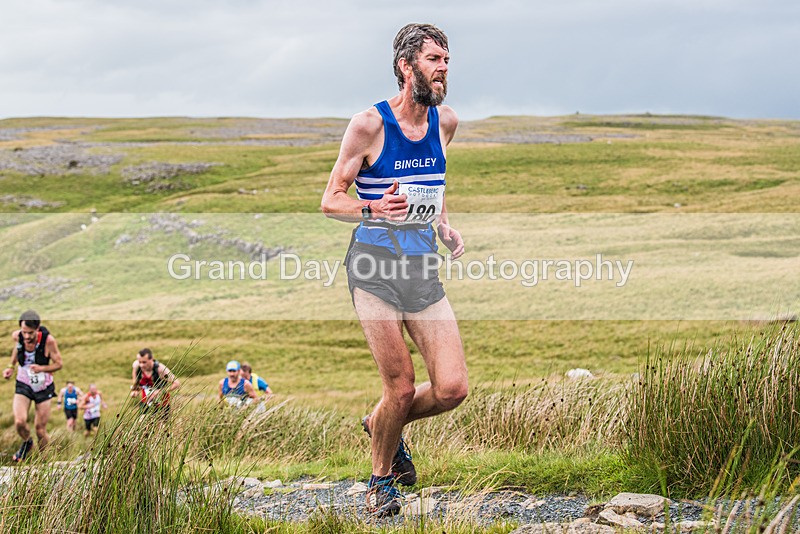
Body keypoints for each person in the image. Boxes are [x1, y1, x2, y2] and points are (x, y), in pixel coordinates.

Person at [320, 23, 468, 517]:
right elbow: (330, 200)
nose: (443, 68)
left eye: (446, 59)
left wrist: (445, 226)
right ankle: (379, 482)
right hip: (373, 266)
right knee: (400, 386)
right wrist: (371, 210)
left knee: (452, 388)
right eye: (433, 59)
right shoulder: (369, 126)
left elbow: (436, 184)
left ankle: (381, 421)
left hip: (422, 265)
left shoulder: (445, 122)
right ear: (407, 67)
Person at [2, 310, 63, 462]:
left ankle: (45, 463)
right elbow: (17, 348)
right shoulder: (18, 336)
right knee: (19, 422)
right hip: (23, 383)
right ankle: (27, 442)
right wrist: (11, 366)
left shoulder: (49, 341)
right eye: (24, 332)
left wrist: (41, 368)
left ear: (38, 328)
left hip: (43, 386)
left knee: (40, 429)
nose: (27, 336)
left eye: (30, 333)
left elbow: (59, 364)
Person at [130, 348, 180, 415]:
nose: (141, 365)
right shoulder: (136, 366)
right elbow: (135, 382)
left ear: (151, 359)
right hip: (145, 403)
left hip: (162, 405)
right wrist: (135, 391)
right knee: (141, 423)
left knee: (160, 425)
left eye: (144, 362)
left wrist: (159, 392)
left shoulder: (160, 369)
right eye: (140, 362)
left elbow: (177, 383)